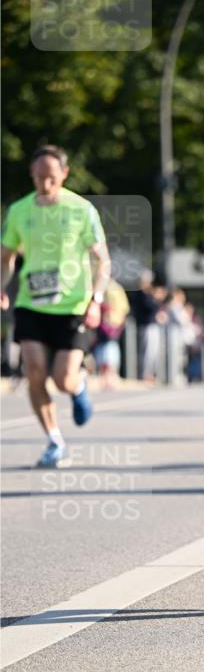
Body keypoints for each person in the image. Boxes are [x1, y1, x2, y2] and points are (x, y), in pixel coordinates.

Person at [1, 145, 110, 467]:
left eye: (51, 177)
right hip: (30, 304)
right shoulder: (19, 210)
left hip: (73, 305)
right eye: (38, 178)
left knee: (62, 379)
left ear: (64, 174)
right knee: (34, 371)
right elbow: (6, 257)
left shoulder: (81, 209)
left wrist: (96, 300)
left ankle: (78, 386)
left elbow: (102, 261)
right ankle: (54, 440)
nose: (45, 185)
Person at [93, 277, 130, 390]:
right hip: (113, 323)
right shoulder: (117, 288)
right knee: (108, 350)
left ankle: (108, 378)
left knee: (107, 351)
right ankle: (109, 378)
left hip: (108, 323)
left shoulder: (109, 288)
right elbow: (124, 308)